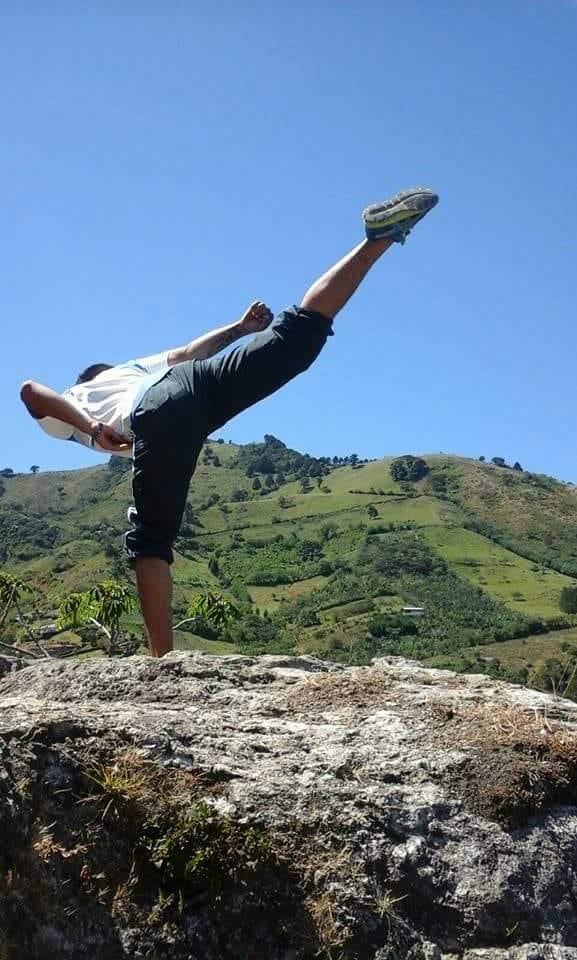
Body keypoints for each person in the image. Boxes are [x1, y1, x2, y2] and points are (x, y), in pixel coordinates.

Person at [21, 187, 438, 657]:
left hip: (156, 412)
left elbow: (31, 391)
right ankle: (377, 240)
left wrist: (91, 426)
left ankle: (163, 664)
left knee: (150, 541)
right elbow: (187, 353)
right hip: (193, 386)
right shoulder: (132, 367)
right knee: (298, 337)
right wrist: (240, 330)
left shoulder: (79, 398)